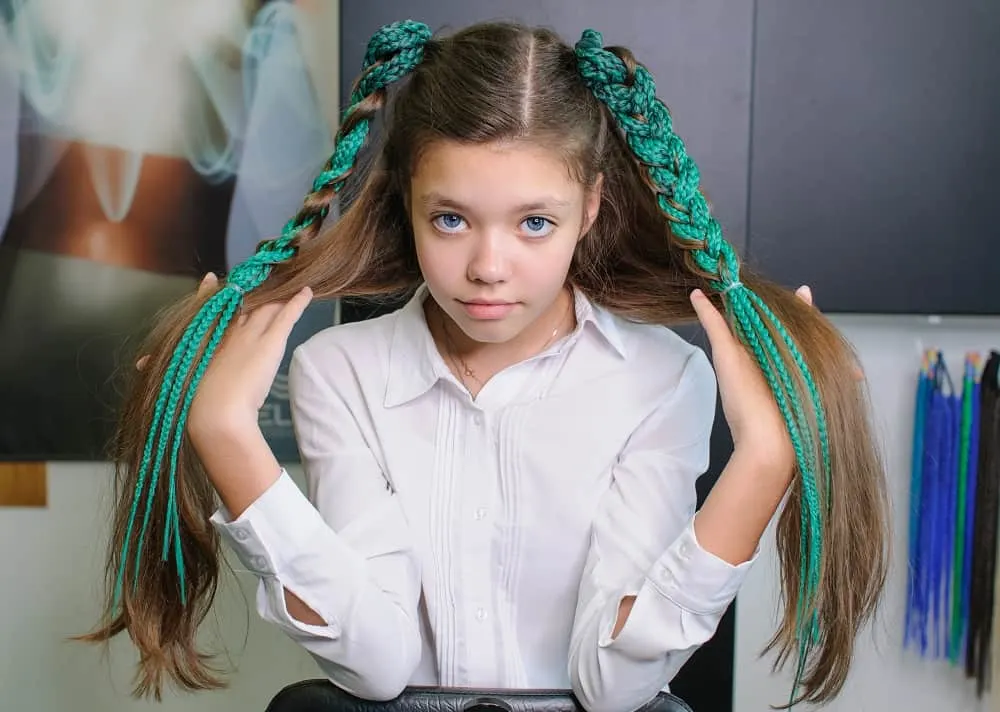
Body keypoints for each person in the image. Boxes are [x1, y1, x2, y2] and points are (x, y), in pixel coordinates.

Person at [82, 19, 890, 712]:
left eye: (535, 222)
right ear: (406, 203)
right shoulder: (340, 372)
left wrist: (765, 463)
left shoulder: (662, 379)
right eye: (451, 218)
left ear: (593, 209)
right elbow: (376, 661)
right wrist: (226, 437)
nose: (488, 266)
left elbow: (611, 686)